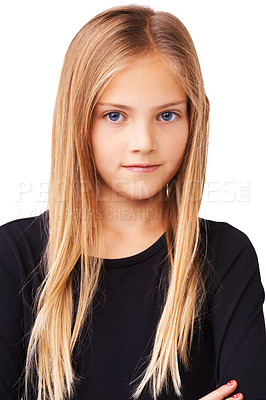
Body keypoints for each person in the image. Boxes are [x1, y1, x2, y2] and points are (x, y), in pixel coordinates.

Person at [0, 4, 265, 400]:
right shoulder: (13, 257)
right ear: (78, 121)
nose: (144, 143)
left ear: (194, 121)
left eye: (168, 115)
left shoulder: (226, 257)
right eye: (114, 116)